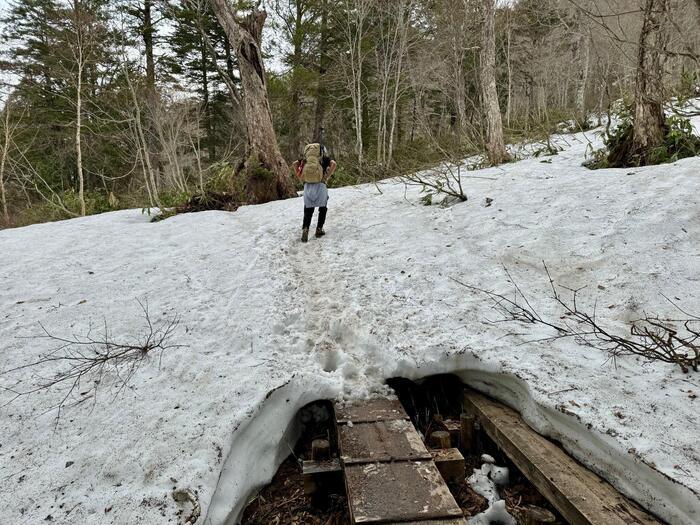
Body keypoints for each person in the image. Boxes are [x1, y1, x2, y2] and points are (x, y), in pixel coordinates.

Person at [292, 143, 337, 243]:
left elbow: (295, 163)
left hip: (308, 186)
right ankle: (319, 229)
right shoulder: (324, 159)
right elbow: (334, 164)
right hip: (321, 185)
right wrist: (326, 177)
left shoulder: (306, 160)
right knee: (323, 208)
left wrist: (300, 178)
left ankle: (305, 229)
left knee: (308, 209)